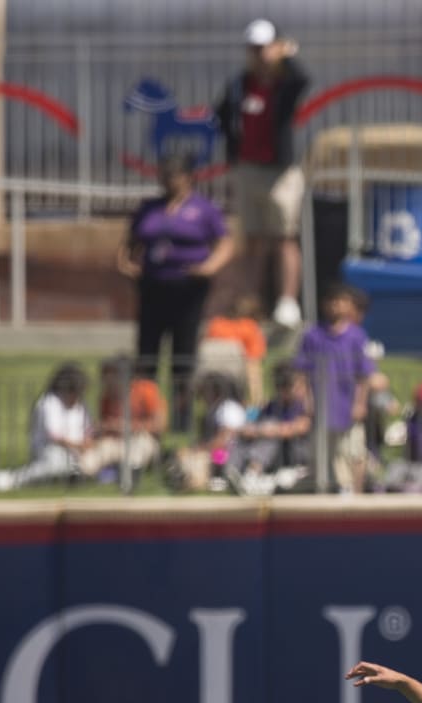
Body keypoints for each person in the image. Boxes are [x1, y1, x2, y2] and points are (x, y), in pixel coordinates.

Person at [116, 153, 234, 431]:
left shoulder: (204, 209)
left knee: (183, 353)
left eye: (175, 175)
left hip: (188, 288)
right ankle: (146, 415)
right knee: (147, 354)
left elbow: (225, 243)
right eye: (165, 175)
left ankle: (181, 419)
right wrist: (125, 262)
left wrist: (208, 267)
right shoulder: (149, 208)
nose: (169, 181)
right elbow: (130, 241)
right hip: (153, 286)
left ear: (188, 178)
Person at [215, 19, 311, 329]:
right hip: (248, 169)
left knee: (284, 238)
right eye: (253, 48)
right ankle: (251, 301)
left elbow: (303, 80)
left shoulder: (285, 83)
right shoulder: (239, 84)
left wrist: (286, 56)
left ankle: (287, 301)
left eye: (263, 47)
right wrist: (233, 150)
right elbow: (220, 115)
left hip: (279, 173)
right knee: (254, 240)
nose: (258, 54)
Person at [293, 283, 376, 494]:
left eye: (341, 301)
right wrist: (307, 399)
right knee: (323, 453)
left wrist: (360, 402)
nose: (336, 306)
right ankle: (327, 489)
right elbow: (302, 371)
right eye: (332, 301)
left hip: (347, 404)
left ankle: (356, 491)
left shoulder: (357, 336)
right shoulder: (313, 335)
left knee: (354, 451)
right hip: (323, 405)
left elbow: (364, 375)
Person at [0, 363, 93, 492]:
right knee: (55, 464)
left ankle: (74, 477)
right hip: (50, 450)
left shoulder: (81, 406)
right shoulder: (48, 402)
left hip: (78, 452)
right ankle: (12, 478)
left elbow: (88, 429)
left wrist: (88, 443)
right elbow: (54, 435)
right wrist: (78, 445)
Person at [80, 356, 165, 483]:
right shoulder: (106, 397)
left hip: (140, 438)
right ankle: (82, 475)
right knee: (92, 457)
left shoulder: (147, 389)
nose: (106, 380)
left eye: (111, 375)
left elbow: (160, 425)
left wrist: (127, 426)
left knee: (139, 448)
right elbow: (105, 424)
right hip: (114, 440)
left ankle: (129, 474)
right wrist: (102, 428)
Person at [197, 294, 267, 404]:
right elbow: (253, 366)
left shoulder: (215, 324)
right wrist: (258, 400)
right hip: (233, 379)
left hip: (208, 379)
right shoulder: (250, 328)